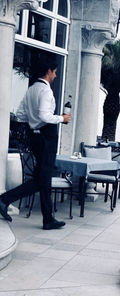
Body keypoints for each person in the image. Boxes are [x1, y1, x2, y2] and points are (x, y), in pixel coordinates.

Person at [0, 57, 71, 230]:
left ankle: (6, 200)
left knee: (41, 180)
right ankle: (47, 219)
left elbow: (20, 114)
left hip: (36, 138)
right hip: (46, 138)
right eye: (54, 72)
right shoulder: (45, 91)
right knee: (44, 179)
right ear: (48, 71)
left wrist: (33, 125)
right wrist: (62, 118)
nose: (55, 76)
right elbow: (45, 116)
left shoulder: (31, 89)